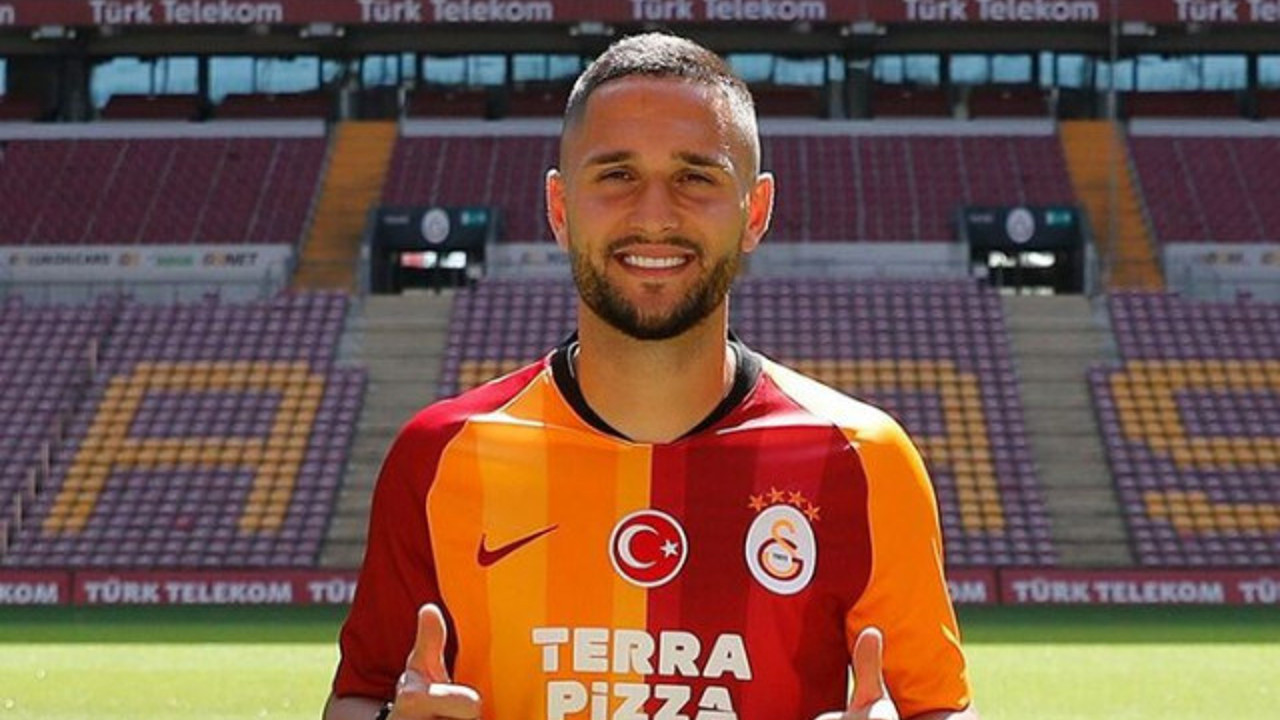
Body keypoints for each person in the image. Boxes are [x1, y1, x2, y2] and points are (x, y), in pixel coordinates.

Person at [324, 32, 978, 720]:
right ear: (559, 209)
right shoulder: (440, 455)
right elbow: (359, 696)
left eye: (697, 177)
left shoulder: (862, 459)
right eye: (616, 175)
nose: (656, 215)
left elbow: (938, 706)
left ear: (754, 213)